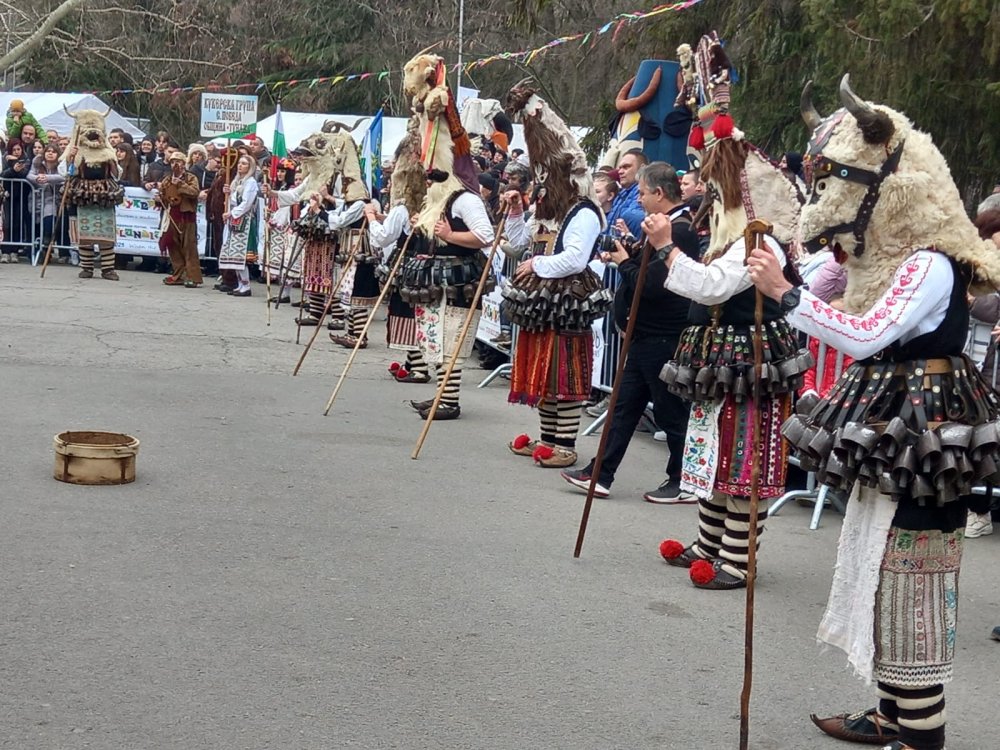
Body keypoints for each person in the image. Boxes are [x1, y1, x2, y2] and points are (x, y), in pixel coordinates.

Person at [753, 76, 1000, 750]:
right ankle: (895, 715)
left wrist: (785, 297)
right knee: (880, 563)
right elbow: (842, 303)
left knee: (909, 576)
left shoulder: (932, 265)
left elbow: (863, 336)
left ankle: (920, 733)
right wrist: (791, 276)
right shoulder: (897, 263)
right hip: (900, 417)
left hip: (924, 429)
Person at [655, 94, 807, 590]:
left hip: (751, 362)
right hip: (718, 359)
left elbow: (712, 285)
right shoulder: (728, 234)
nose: (706, 195)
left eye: (716, 189)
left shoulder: (759, 239)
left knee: (743, 455)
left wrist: (666, 251)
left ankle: (739, 560)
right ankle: (709, 542)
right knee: (711, 448)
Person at [561, 162, 695, 498]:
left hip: (664, 336)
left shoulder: (679, 231)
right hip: (643, 335)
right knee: (622, 408)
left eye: (642, 193)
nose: (639, 200)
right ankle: (600, 474)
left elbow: (650, 286)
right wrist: (629, 254)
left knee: (671, 414)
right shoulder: (661, 227)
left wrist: (624, 262)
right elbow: (644, 273)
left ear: (660, 193)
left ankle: (684, 481)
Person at [501, 80, 612, 467]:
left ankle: (565, 444)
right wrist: (515, 213)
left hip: (568, 301)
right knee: (544, 370)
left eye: (549, 177)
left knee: (564, 371)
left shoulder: (583, 212)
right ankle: (547, 438)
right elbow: (516, 246)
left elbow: (576, 259)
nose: (542, 185)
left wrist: (538, 265)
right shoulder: (547, 210)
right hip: (541, 301)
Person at [400, 50, 496, 421]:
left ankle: (450, 401)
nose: (429, 174)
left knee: (451, 338)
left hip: (459, 279)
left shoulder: (464, 198)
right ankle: (440, 394)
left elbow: (485, 236)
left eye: (434, 170)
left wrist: (449, 234)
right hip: (435, 277)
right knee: (435, 338)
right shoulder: (435, 197)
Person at [369, 122, 429, 383]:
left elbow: (383, 237)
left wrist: (371, 218)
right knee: (414, 313)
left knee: (407, 313)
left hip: (407, 269)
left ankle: (419, 367)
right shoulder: (424, 205)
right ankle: (411, 361)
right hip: (420, 267)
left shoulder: (403, 208)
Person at [59, 109, 124, 280]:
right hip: (83, 196)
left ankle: (108, 268)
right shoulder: (75, 151)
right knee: (85, 233)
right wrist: (70, 159)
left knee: (106, 233)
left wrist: (113, 161)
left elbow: (117, 174)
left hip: (104, 196)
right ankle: (87, 267)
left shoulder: (108, 152)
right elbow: (66, 172)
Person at [157, 151, 203, 288]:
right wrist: (159, 198)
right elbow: (164, 196)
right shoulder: (167, 179)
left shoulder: (191, 178)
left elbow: (195, 192)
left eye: (178, 161)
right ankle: (178, 274)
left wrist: (181, 185)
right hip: (172, 216)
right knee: (172, 245)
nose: (175, 164)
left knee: (189, 247)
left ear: (184, 163)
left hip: (186, 216)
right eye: (172, 162)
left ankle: (192, 277)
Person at [216, 154, 259, 296]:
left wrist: (232, 213)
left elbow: (246, 203)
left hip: (244, 221)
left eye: (244, 163)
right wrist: (228, 194)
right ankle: (240, 284)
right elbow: (233, 201)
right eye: (240, 163)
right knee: (234, 254)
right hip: (235, 220)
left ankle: (246, 286)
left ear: (250, 167)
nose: (241, 166)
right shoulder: (237, 181)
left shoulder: (251, 182)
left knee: (241, 255)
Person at [27, 143, 68, 263]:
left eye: (53, 151)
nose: (50, 153)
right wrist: (37, 179)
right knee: (36, 226)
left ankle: (46, 245)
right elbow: (29, 175)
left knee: (49, 223)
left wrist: (48, 178)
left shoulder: (61, 165)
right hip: (37, 199)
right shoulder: (37, 162)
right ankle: (40, 252)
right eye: (48, 151)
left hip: (53, 200)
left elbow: (64, 176)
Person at [1, 138, 31, 262]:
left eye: (18, 149)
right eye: (14, 150)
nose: (17, 152)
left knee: (18, 223)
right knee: (7, 223)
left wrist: (16, 164)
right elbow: (3, 174)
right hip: (8, 197)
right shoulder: (4, 159)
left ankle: (14, 251)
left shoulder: (27, 160)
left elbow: (26, 174)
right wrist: (13, 169)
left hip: (22, 197)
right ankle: (5, 251)